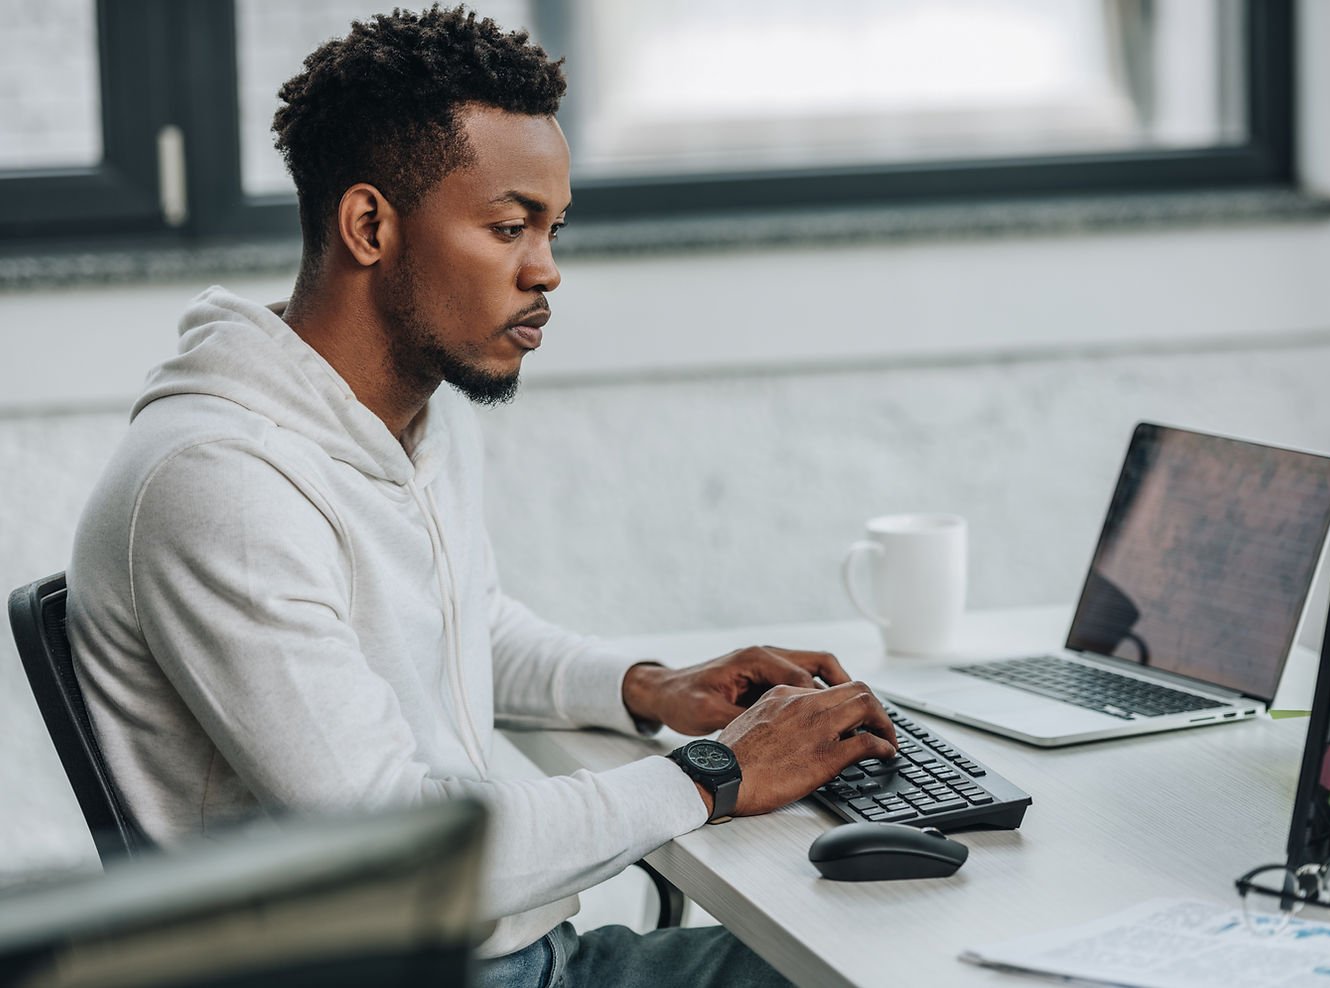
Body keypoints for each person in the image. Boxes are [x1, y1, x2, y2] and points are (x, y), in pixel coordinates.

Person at [67, 6, 898, 986]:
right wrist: (716, 772)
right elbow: (402, 851)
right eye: (509, 227)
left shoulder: (407, 411)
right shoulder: (225, 485)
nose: (546, 269)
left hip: (518, 958)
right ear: (370, 226)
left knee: (886, 947)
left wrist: (648, 686)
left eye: (552, 228)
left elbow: (459, 622)